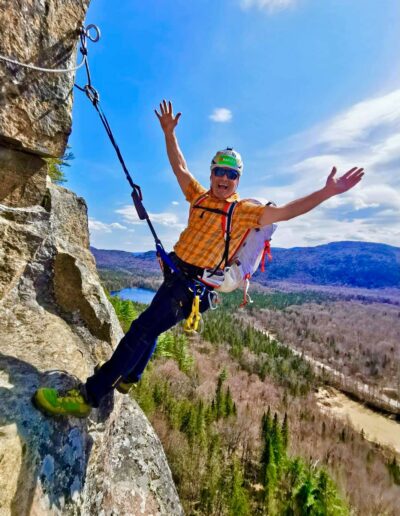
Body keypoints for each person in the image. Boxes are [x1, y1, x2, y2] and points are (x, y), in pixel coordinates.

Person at [33, 100, 364, 417]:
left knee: (142, 329)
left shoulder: (243, 212)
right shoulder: (199, 197)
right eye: (219, 171)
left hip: (191, 286)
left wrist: (326, 193)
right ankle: (131, 377)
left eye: (231, 175)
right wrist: (168, 132)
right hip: (176, 271)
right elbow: (179, 166)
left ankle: (88, 395)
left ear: (238, 180)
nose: (224, 178)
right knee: (151, 327)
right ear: (211, 173)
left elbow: (287, 211)